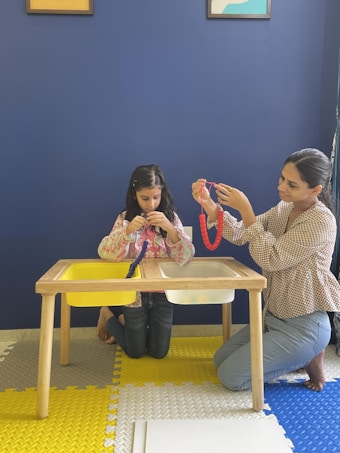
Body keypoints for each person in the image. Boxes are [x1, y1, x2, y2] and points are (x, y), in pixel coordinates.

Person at [192, 148, 340, 391]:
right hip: (272, 318)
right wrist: (209, 206)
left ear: (315, 190)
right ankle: (302, 355)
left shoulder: (320, 221)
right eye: (282, 178)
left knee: (231, 378)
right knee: (219, 361)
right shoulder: (283, 208)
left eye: (292, 184)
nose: (282, 187)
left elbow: (272, 258)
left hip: (302, 325)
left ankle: (309, 354)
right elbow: (242, 233)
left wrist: (246, 209)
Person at [97, 164, 195, 359]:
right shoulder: (126, 218)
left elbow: (187, 256)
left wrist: (170, 228)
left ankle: (130, 327)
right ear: (135, 195)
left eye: (156, 197)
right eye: (145, 198)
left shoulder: (170, 218)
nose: (151, 204)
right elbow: (104, 252)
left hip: (162, 293)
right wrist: (127, 231)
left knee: (159, 352)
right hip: (135, 293)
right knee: (135, 352)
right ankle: (107, 315)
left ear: (162, 194)